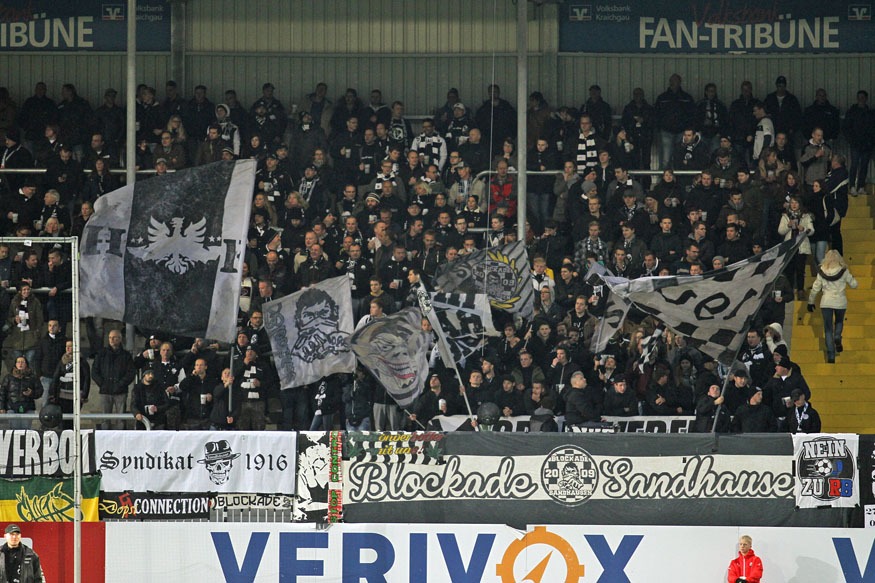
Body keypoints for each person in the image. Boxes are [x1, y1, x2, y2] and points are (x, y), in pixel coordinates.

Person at [808, 250, 858, 363]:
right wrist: (852, 279)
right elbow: (854, 285)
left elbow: (816, 288)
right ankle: (838, 337)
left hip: (826, 302)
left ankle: (831, 355)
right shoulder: (844, 270)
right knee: (839, 322)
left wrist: (810, 302)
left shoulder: (822, 271)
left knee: (828, 328)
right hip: (840, 301)